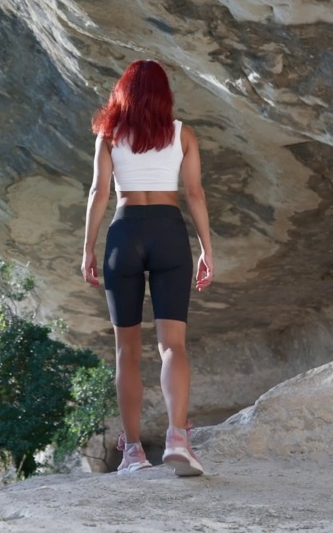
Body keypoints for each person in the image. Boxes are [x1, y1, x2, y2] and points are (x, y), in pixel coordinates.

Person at [80, 59, 213, 476]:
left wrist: (87, 249)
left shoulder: (109, 134)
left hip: (124, 233)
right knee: (172, 345)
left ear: (123, 92)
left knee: (127, 351)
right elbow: (194, 192)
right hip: (169, 231)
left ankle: (133, 452)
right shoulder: (182, 133)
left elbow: (100, 191)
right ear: (164, 93)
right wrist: (208, 249)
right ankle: (177, 437)